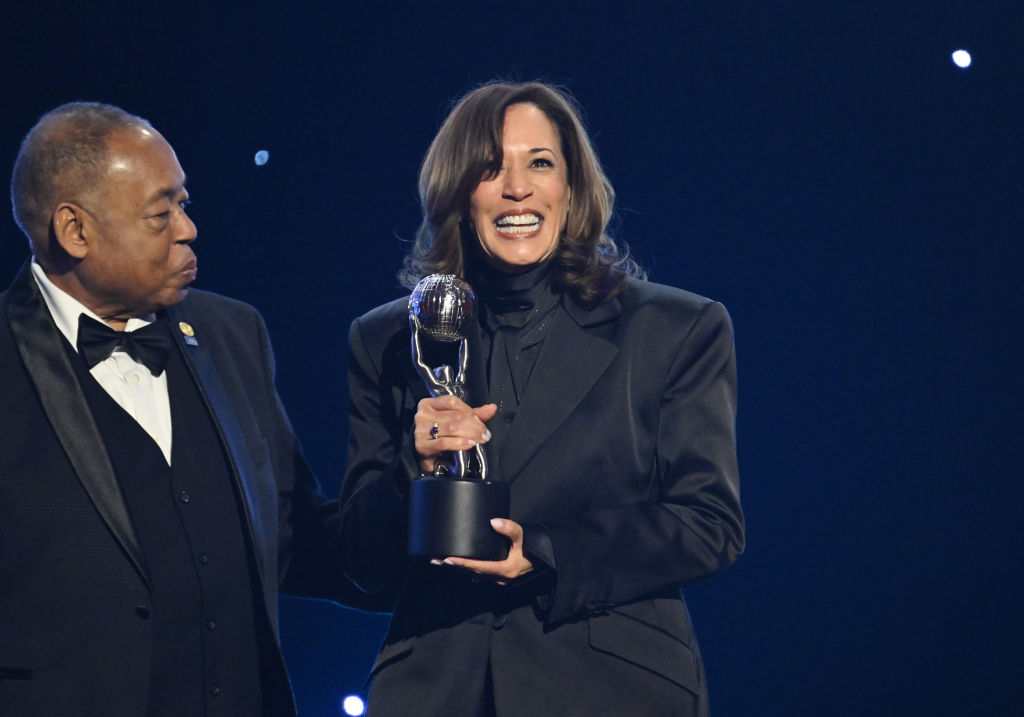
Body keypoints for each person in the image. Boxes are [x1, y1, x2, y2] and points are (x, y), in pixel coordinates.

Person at [339, 81, 745, 716]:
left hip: (610, 686)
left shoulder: (673, 329)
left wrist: (549, 552)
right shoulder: (390, 338)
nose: (517, 188)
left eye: (540, 164)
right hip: (437, 686)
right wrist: (412, 472)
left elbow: (709, 525)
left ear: (573, 188)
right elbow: (362, 559)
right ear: (457, 191)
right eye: (490, 168)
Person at [0, 102, 375, 716]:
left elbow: (294, 539)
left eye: (184, 203)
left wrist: (423, 513)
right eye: (160, 212)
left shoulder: (232, 332)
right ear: (75, 231)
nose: (187, 228)